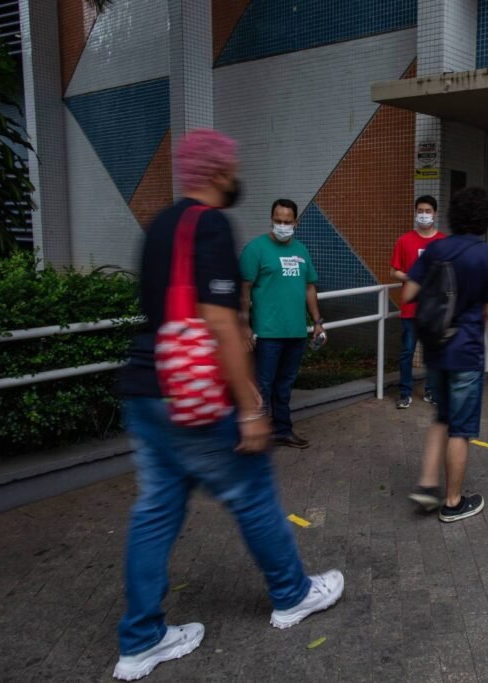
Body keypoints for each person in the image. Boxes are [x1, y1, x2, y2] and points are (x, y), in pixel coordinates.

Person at [115, 130, 342, 681]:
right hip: (195, 396)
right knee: (254, 494)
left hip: (147, 390)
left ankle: (140, 640)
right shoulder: (211, 224)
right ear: (217, 173)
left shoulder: (161, 226)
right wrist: (247, 407)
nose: (236, 175)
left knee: (155, 513)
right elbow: (220, 321)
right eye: (233, 167)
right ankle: (292, 594)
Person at [403, 186, 488, 522]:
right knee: (461, 429)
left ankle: (426, 485)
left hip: (436, 347)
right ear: (485, 219)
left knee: (442, 417)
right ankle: (452, 503)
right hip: (466, 352)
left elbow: (408, 293)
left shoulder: (436, 249)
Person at [240, 199, 325, 448]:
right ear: (271, 219)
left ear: (295, 222)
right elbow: (243, 289)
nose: (282, 225)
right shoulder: (255, 249)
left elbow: (309, 287)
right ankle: (257, 433)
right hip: (267, 333)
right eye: (278, 220)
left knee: (285, 385)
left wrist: (317, 321)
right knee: (263, 385)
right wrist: (244, 325)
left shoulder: (301, 250)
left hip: (296, 331)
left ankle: (282, 430)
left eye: (287, 221)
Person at [390, 195, 446, 408]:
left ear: (435, 213)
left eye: (428, 211)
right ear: (415, 213)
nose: (424, 215)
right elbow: (393, 271)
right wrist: (411, 277)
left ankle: (432, 391)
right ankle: (405, 392)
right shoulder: (404, 240)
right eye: (420, 211)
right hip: (410, 308)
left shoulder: (443, 242)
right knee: (407, 352)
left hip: (435, 309)